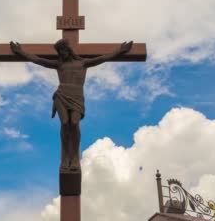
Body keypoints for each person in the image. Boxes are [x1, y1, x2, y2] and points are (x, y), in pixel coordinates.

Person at [9, 38, 133, 171]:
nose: (61, 53)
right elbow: (39, 60)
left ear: (68, 49)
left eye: (63, 50)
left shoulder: (83, 63)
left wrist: (119, 51)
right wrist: (21, 53)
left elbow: (103, 58)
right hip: (61, 95)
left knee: (74, 123)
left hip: (76, 96)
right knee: (65, 123)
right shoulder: (59, 65)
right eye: (59, 51)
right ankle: (66, 158)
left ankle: (74, 157)